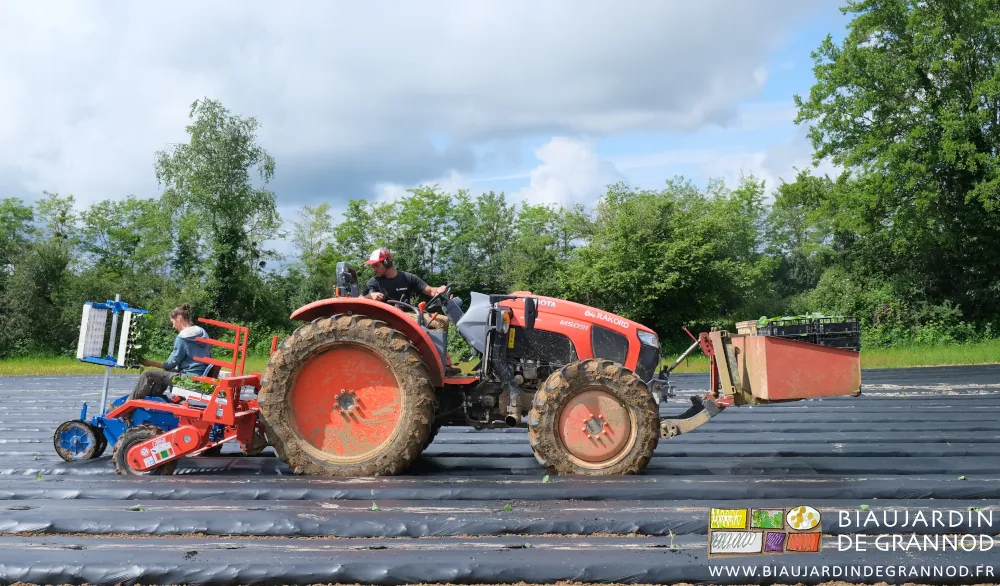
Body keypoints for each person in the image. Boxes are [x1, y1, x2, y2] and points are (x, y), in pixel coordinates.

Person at [127, 304, 212, 402]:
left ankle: (128, 408)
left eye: (173, 322)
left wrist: (149, 363)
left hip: (189, 378)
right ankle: (156, 397)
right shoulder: (202, 333)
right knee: (168, 371)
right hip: (201, 375)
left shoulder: (183, 338)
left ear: (179, 319)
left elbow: (170, 363)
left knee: (147, 374)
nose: (173, 326)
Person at [361, 248, 447, 303]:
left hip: (405, 318)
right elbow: (358, 300)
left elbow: (431, 291)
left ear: (387, 263)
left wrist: (439, 290)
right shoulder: (374, 282)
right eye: (372, 266)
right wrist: (370, 296)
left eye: (376, 265)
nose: (374, 269)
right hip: (383, 321)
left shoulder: (408, 278)